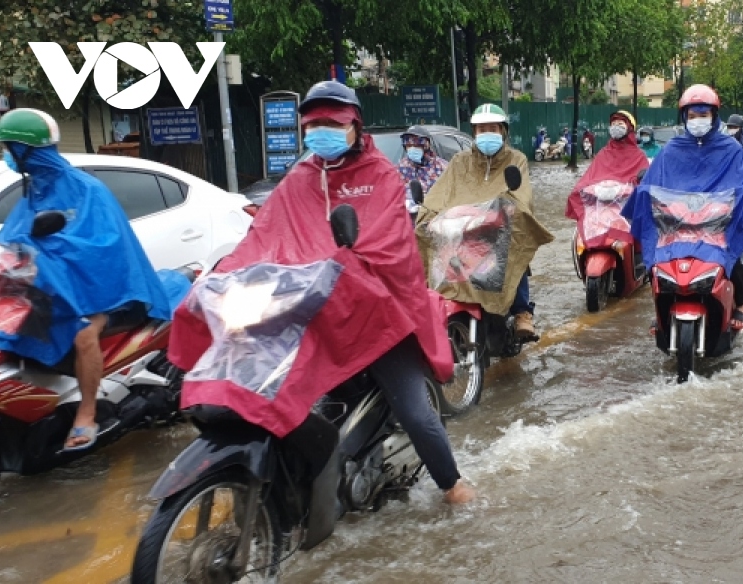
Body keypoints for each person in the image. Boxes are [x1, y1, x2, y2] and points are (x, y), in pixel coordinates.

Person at [169, 81, 474, 504]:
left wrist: (343, 268)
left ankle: (453, 485)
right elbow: (263, 237)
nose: (321, 131)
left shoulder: (381, 176)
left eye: (333, 123)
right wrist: (222, 275)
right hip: (311, 309)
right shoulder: (300, 178)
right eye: (313, 124)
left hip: (379, 313)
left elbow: (390, 249)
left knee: (415, 413)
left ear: (354, 127)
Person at [0, 109, 183, 452]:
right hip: (60, 293)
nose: (5, 153)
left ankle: (86, 413)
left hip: (111, 296)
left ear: (27, 149)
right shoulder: (33, 189)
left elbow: (103, 248)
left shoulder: (87, 189)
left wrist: (42, 257)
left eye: (8, 146)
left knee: (82, 332)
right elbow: (15, 238)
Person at [622, 85, 743, 331]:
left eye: (703, 115)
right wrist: (642, 192)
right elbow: (653, 181)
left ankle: (742, 304)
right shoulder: (671, 150)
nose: (697, 120)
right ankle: (660, 308)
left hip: (717, 223)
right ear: (684, 117)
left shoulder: (731, 150)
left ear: (714, 116)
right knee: (655, 259)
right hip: (676, 225)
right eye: (692, 116)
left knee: (731, 256)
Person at [416, 104, 554, 340]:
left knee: (514, 247)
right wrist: (428, 214)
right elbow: (441, 193)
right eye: (481, 129)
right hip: (462, 229)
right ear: (474, 132)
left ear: (503, 132)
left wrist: (507, 212)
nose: (486, 133)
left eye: (492, 128)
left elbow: (522, 197)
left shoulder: (516, 159)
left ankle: (522, 312)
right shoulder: (460, 161)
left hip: (498, 227)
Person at [396, 125, 449, 218]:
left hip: (435, 219)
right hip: (408, 221)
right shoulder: (399, 169)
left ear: (426, 145)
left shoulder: (442, 167)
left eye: (417, 145)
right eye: (409, 145)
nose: (412, 148)